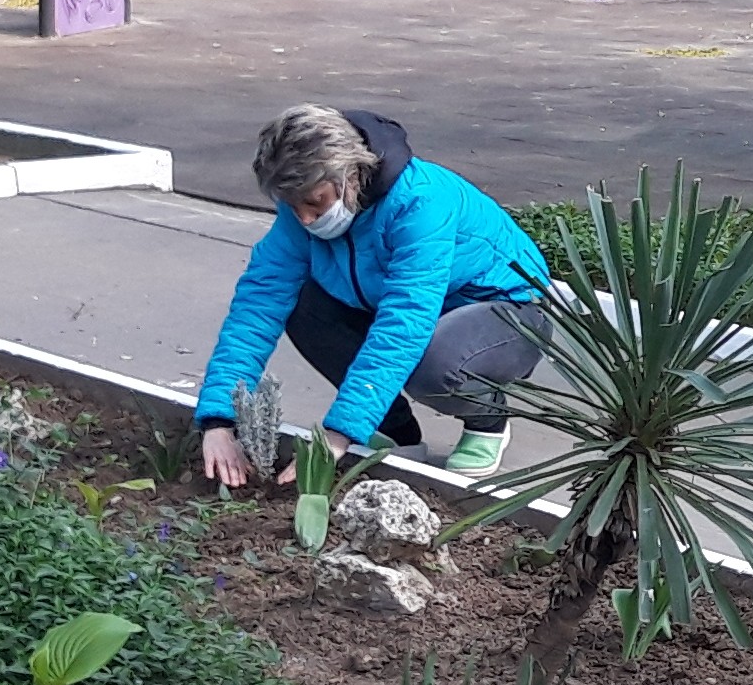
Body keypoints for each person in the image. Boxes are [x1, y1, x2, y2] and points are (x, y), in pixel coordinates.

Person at [196, 104, 546, 483]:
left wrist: (338, 435)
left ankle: (487, 419)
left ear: (350, 174)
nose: (306, 219)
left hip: (509, 316)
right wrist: (219, 420)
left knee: (432, 358)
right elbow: (258, 305)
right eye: (293, 206)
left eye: (315, 202)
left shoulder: (421, 202)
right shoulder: (299, 208)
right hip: (408, 311)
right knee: (300, 302)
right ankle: (396, 432)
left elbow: (406, 319)